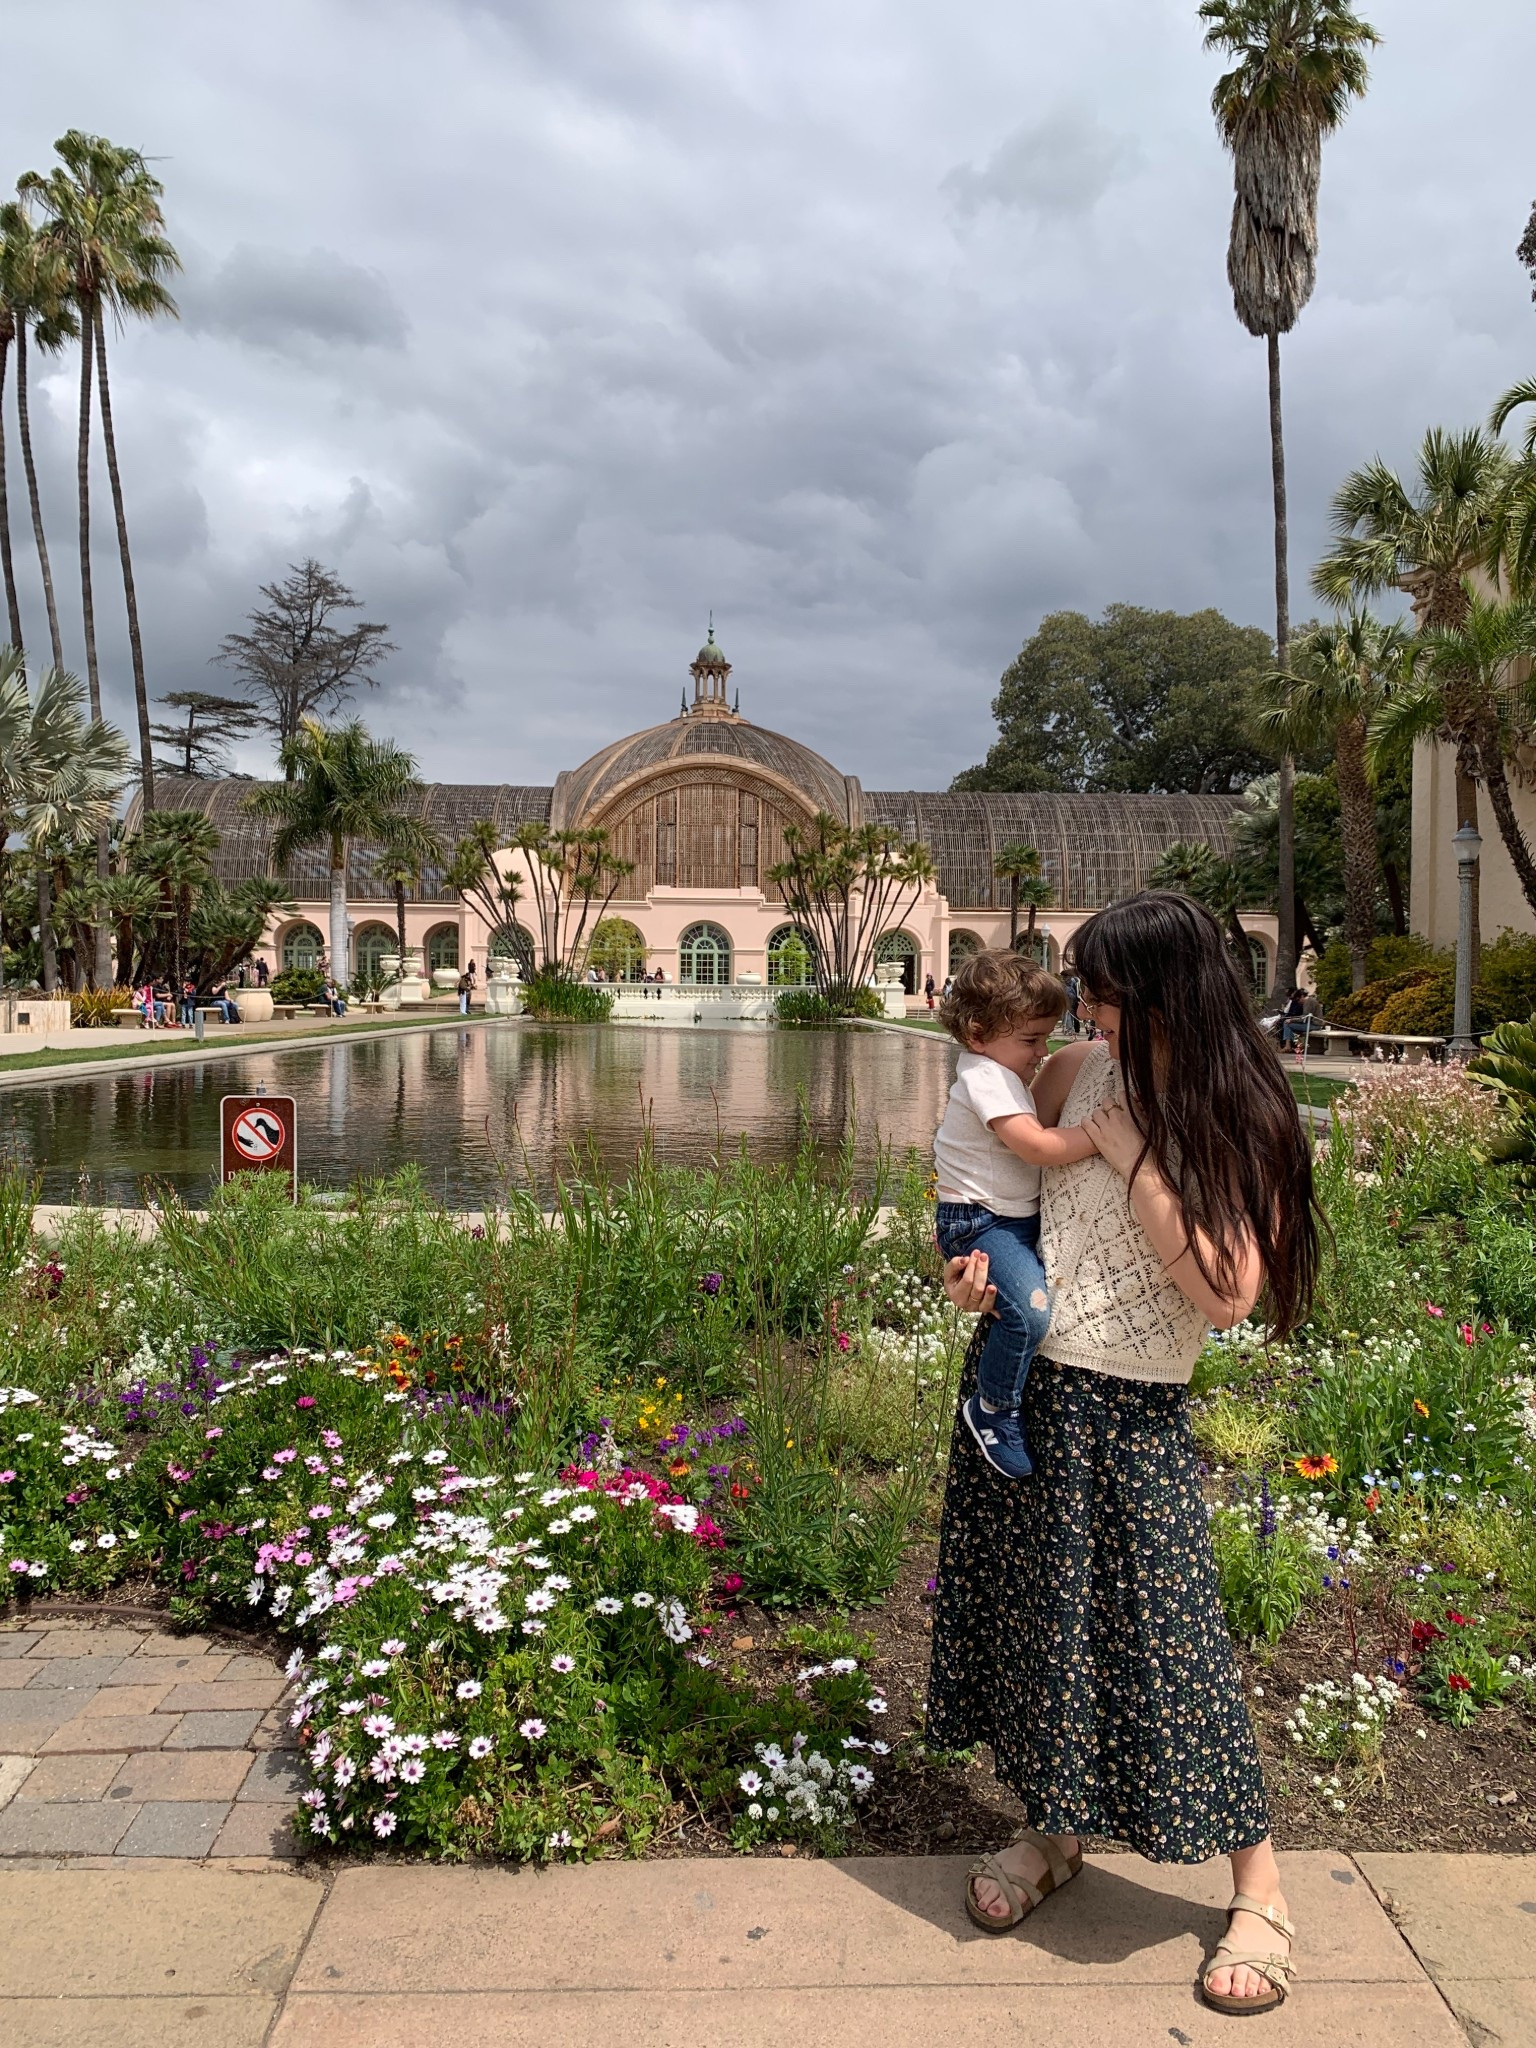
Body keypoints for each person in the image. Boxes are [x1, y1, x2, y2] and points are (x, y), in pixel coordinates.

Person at [928, 891, 1319, 2019]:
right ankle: (1056, 1829)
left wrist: (1140, 1156)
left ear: (1163, 995)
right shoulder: (1068, 1078)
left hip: (1134, 1408)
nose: (1081, 1008)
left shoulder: (1235, 1109)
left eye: (1100, 989)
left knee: (1170, 1636)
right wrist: (961, 1273)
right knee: (1049, 1624)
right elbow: (988, 1199)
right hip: (1036, 1384)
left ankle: (1261, 1887)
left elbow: (1230, 1291)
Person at [933, 950, 1100, 1478]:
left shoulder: (999, 1069)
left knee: (1032, 1306)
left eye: (1046, 1037)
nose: (1041, 1052)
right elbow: (1033, 1146)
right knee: (1029, 1313)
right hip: (982, 1222)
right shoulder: (984, 1075)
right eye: (1030, 1040)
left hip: (1008, 1217)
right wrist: (1100, 1135)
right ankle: (992, 1408)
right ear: (979, 1033)